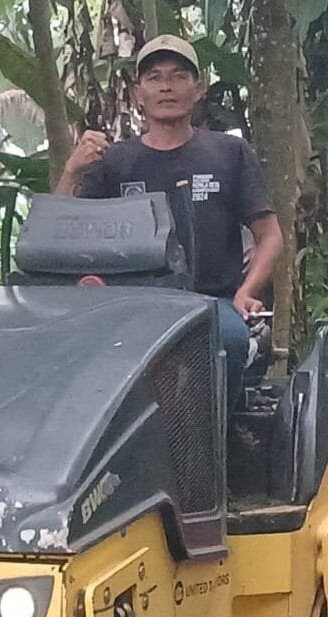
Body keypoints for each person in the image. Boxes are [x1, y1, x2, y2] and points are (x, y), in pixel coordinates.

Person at [56, 34, 281, 411]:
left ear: (198, 89)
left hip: (210, 306)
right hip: (129, 311)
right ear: (138, 92)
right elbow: (60, 231)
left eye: (179, 76)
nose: (166, 86)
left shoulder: (229, 152)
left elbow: (270, 234)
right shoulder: (115, 162)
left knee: (228, 338)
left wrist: (246, 291)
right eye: (155, 77)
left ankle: (219, 451)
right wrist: (70, 171)